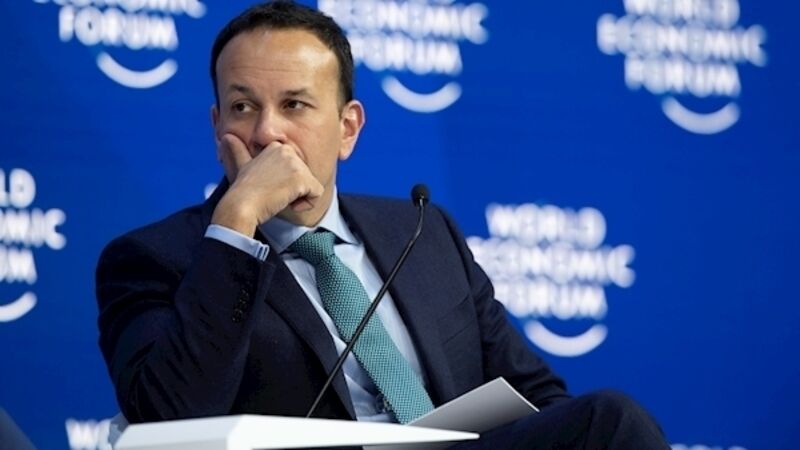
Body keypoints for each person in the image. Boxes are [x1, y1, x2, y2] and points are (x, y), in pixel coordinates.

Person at [95, 1, 669, 448]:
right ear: (216, 125)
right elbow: (169, 422)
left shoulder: (423, 232)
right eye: (243, 107)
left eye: (294, 105)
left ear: (348, 129)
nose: (267, 133)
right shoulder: (156, 258)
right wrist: (236, 223)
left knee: (607, 423)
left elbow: (536, 394)